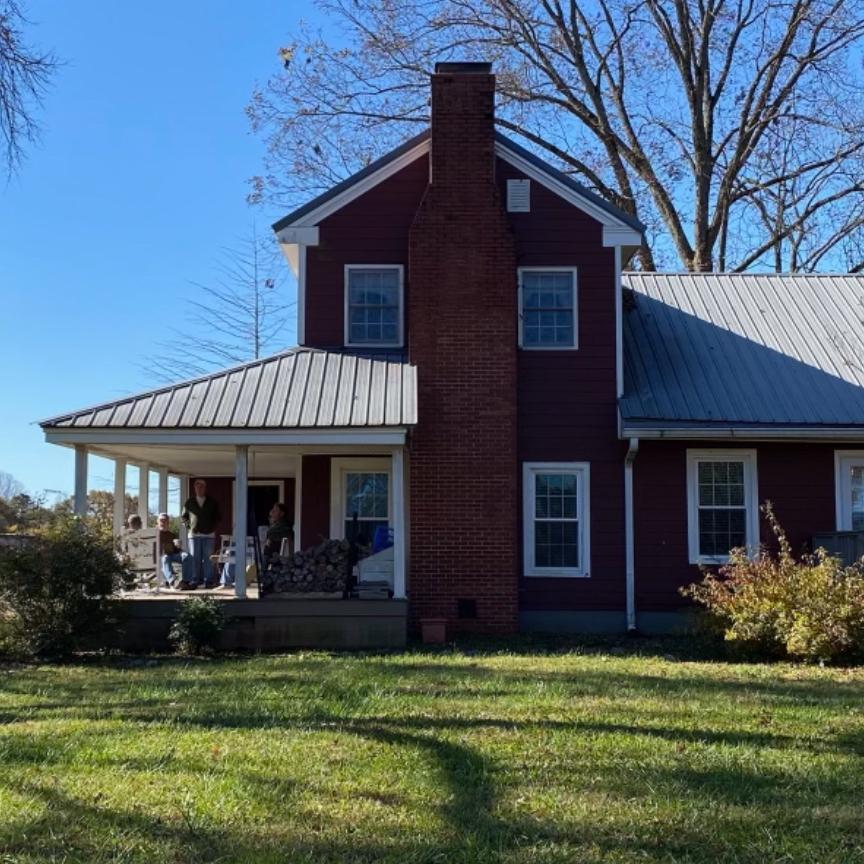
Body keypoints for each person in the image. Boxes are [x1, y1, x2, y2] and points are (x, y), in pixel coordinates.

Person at [221, 501, 293, 588]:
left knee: (234, 552)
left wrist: (271, 525)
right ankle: (229, 581)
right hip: (264, 553)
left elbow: (269, 537)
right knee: (233, 551)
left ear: (282, 513)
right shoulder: (277, 525)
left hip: (267, 555)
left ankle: (228, 582)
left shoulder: (281, 526)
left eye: (275, 510)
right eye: (272, 509)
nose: (271, 512)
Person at [179, 479, 220, 590]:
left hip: (209, 535)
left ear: (205, 488)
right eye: (197, 486)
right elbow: (183, 517)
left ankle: (208, 581)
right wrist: (189, 527)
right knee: (194, 558)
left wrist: (212, 526)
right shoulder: (189, 502)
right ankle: (194, 581)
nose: (199, 488)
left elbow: (217, 516)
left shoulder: (212, 502)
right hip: (194, 535)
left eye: (201, 486)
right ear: (195, 488)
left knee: (208, 558)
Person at [157, 512, 192, 588]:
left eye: (165, 520)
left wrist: (178, 547)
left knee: (187, 556)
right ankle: (172, 581)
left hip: (172, 554)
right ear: (158, 522)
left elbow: (176, 550)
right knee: (165, 558)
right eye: (161, 520)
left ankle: (185, 582)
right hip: (161, 555)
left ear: (168, 522)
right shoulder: (155, 534)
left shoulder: (171, 534)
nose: (163, 522)